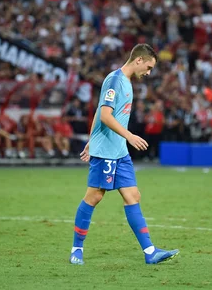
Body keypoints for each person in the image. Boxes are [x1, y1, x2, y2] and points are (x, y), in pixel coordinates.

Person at [69, 44, 179, 265]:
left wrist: (92, 139)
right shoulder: (114, 81)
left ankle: (150, 252)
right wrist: (128, 136)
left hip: (119, 151)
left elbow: (100, 113)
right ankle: (76, 250)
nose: (148, 73)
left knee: (133, 196)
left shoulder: (127, 82)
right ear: (138, 60)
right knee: (94, 197)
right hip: (108, 150)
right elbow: (105, 116)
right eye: (148, 67)